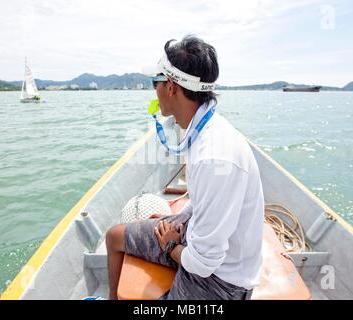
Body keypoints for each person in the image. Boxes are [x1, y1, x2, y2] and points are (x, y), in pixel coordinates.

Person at [105, 35, 264, 300]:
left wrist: (169, 245)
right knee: (114, 236)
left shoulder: (215, 157)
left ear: (170, 87)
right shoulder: (201, 130)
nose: (153, 90)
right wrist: (178, 218)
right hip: (194, 246)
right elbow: (202, 200)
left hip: (221, 283)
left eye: (155, 82)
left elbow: (203, 264)